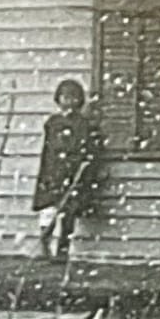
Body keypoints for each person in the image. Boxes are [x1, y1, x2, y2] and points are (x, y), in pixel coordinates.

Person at [31, 78, 105, 262]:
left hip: (72, 172)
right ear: (58, 99)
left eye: (73, 98)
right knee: (48, 210)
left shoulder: (83, 124)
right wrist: (48, 170)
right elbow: (49, 149)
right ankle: (44, 244)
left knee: (69, 212)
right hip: (53, 171)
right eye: (65, 97)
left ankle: (63, 250)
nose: (69, 102)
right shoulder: (53, 123)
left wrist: (85, 167)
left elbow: (88, 149)